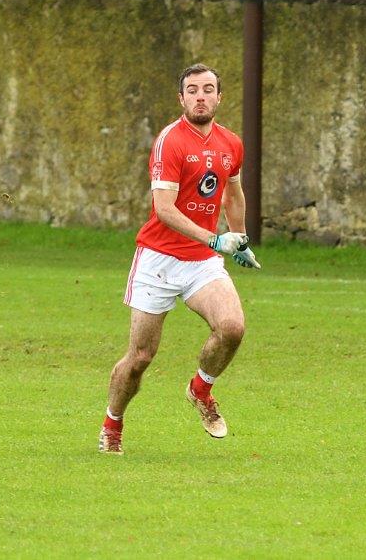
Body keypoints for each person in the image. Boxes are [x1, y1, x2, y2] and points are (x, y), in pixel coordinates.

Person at [99, 64, 261, 455]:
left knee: (232, 327)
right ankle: (112, 424)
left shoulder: (231, 144)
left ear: (220, 97)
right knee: (140, 358)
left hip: (202, 261)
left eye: (208, 90)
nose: (201, 96)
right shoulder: (170, 141)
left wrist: (236, 240)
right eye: (193, 90)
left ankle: (201, 388)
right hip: (158, 259)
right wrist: (215, 237)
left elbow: (233, 193)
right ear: (182, 98)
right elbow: (164, 208)